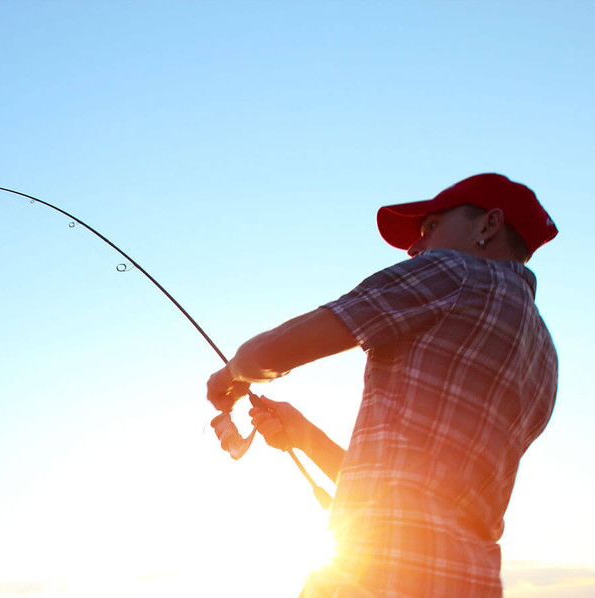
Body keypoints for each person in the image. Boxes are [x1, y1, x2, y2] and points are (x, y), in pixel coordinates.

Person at [205, 173, 559, 597]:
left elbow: (267, 356)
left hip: (374, 572)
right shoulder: (545, 356)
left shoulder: (454, 272)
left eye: (430, 228)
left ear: (489, 225)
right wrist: (305, 436)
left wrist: (231, 375)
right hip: (470, 581)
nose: (416, 247)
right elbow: (416, 492)